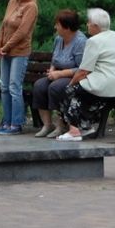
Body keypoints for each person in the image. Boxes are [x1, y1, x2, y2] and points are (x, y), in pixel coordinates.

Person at [56, 8, 115, 141]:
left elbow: (84, 71)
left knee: (67, 91)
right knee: (81, 94)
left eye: (88, 23)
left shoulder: (93, 41)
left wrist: (71, 84)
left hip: (103, 86)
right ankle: (85, 126)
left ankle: (75, 130)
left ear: (96, 26)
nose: (87, 25)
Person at [0, 0, 38, 135]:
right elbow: (4, 25)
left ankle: (16, 124)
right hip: (5, 51)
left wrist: (6, 46)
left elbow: (22, 32)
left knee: (14, 86)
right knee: (4, 87)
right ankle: (6, 121)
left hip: (19, 52)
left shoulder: (31, 6)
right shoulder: (12, 2)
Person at [32, 9, 87, 138]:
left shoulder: (80, 42)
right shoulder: (58, 39)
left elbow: (82, 68)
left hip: (74, 77)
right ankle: (47, 125)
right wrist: (52, 70)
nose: (55, 27)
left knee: (55, 87)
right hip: (58, 74)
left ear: (66, 27)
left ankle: (61, 125)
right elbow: (55, 59)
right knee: (39, 85)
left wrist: (60, 74)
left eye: (57, 24)